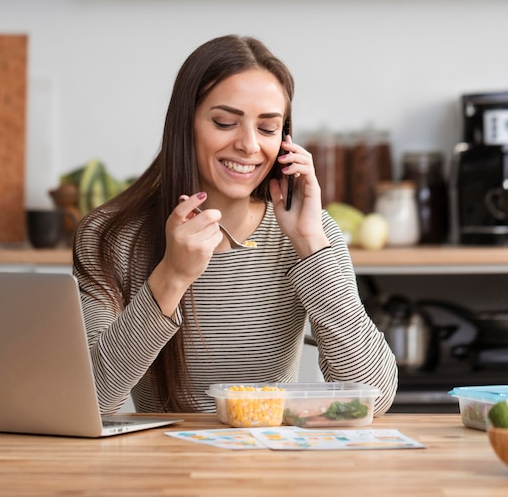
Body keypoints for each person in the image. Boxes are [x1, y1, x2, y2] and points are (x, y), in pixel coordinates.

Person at [73, 34, 398, 415]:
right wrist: (172, 276)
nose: (248, 145)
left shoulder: (309, 231)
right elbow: (90, 400)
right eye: (225, 122)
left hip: (271, 464)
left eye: (267, 128)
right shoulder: (109, 235)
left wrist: (310, 244)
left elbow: (374, 398)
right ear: (185, 124)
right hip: (163, 468)